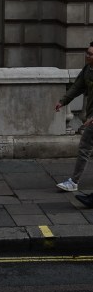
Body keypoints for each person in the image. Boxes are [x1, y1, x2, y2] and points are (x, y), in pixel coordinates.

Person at [56, 44, 93, 197]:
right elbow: (77, 86)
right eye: (87, 53)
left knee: (84, 147)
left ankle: (73, 182)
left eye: (91, 54)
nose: (88, 55)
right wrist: (63, 101)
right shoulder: (87, 70)